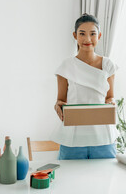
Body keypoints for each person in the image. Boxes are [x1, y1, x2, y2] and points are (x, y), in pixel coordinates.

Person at [50, 13, 119, 160]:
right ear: (75, 36)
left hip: (103, 135)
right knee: (69, 178)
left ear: (99, 36)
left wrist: (111, 103)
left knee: (105, 177)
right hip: (73, 137)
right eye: (82, 34)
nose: (87, 39)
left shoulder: (108, 65)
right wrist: (59, 107)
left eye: (92, 34)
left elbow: (110, 96)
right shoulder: (66, 66)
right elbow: (60, 100)